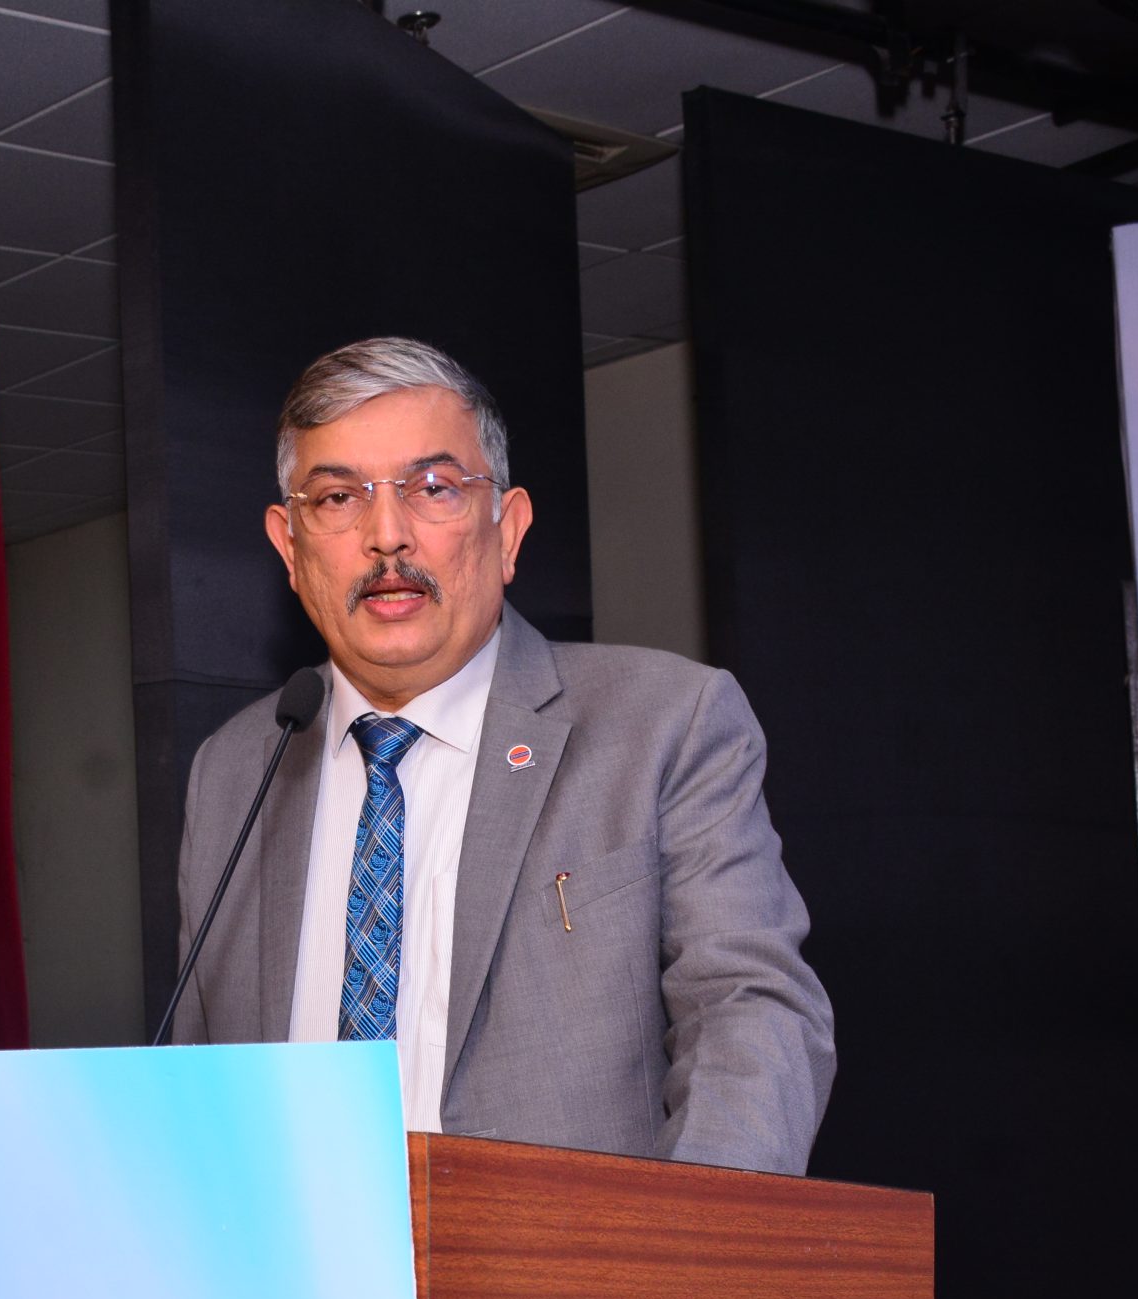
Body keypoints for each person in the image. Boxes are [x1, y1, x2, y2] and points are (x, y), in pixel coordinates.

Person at [170, 337, 832, 1174]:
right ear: (291, 549)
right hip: (301, 1253)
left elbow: (750, 1012)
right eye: (338, 497)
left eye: (433, 489)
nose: (387, 537)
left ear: (508, 529)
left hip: (575, 1254)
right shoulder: (233, 770)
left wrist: (686, 1246)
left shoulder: (663, 724)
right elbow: (199, 1081)